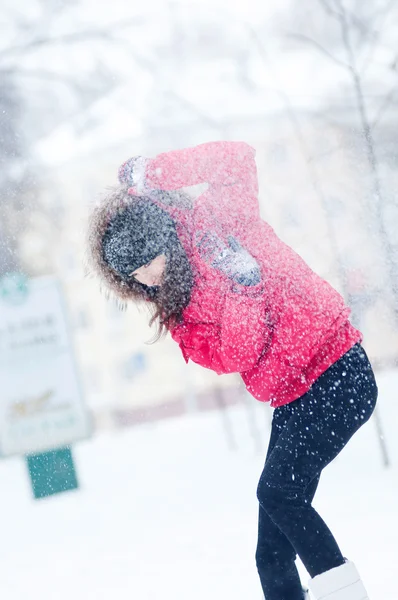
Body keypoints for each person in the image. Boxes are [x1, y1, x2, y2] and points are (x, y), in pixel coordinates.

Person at [87, 141, 378, 600]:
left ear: (163, 241)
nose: (146, 278)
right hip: (294, 397)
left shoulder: (221, 219)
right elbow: (234, 356)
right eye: (134, 274)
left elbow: (235, 157)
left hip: (338, 367)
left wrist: (154, 172)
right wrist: (244, 288)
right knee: (271, 552)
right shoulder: (180, 312)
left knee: (280, 494)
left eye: (149, 262)